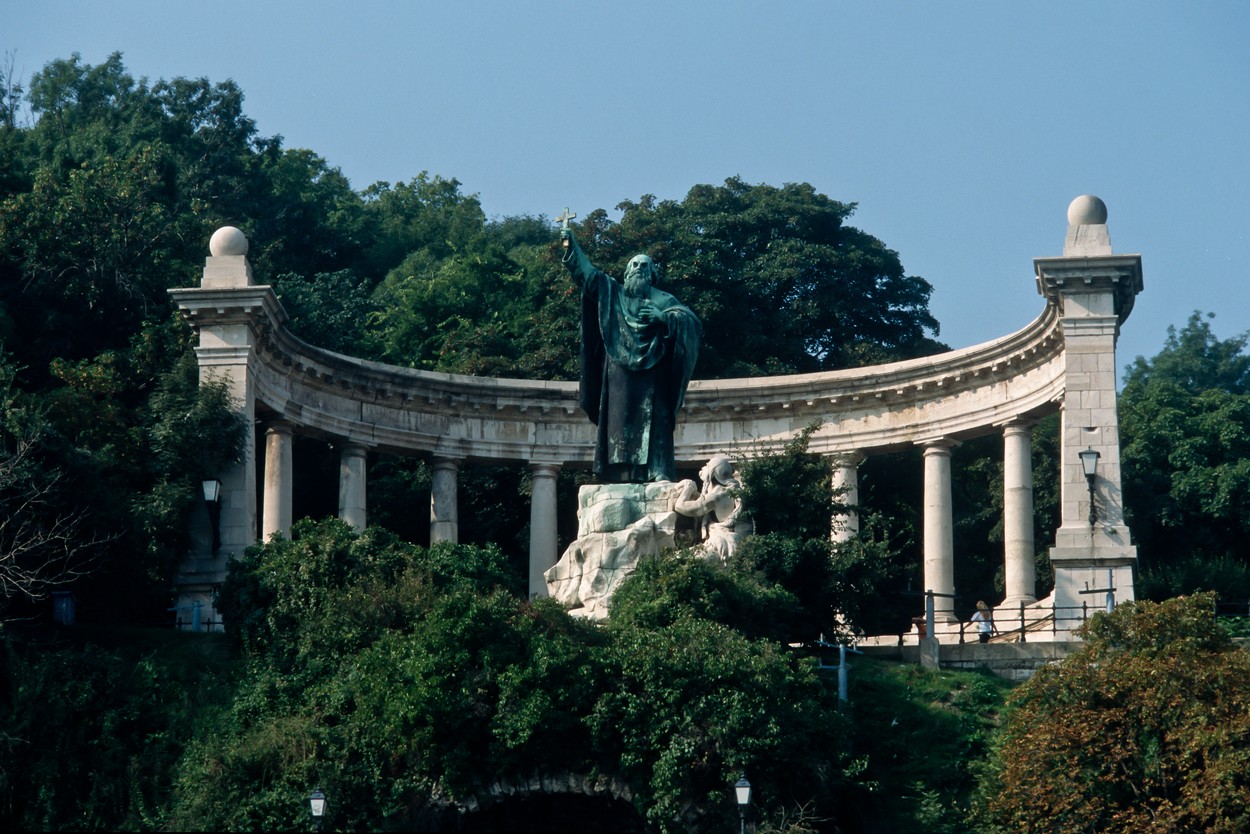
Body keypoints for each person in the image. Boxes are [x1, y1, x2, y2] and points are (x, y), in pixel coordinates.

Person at [561, 228, 701, 483]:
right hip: (618, 373)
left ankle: (657, 470)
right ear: (626, 272)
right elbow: (588, 275)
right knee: (618, 421)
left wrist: (663, 318)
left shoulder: (665, 300)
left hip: (654, 371)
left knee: (656, 420)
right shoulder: (612, 293)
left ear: (652, 274)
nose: (638, 268)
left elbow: (691, 324)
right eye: (634, 264)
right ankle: (618, 474)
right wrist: (572, 248)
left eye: (644, 265)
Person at [674, 455, 752, 560]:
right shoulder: (726, 492)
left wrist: (688, 487)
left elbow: (680, 507)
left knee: (678, 560)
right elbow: (702, 501)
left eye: (707, 465)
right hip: (727, 539)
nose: (703, 467)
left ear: (713, 472)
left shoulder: (716, 496)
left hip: (722, 543)